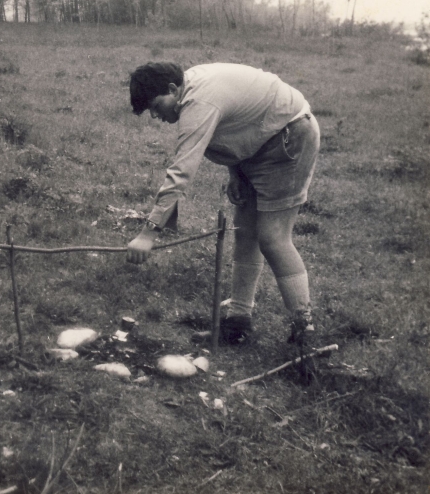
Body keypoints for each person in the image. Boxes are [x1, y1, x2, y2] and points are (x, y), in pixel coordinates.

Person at [126, 62, 320, 347]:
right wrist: (235, 172)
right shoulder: (190, 91)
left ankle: (306, 333)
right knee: (245, 232)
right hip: (261, 141)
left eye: (156, 106)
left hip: (290, 136)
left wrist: (148, 233)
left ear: (172, 89)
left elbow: (181, 172)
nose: (155, 115)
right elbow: (237, 122)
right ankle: (238, 322)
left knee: (273, 238)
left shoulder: (199, 103)